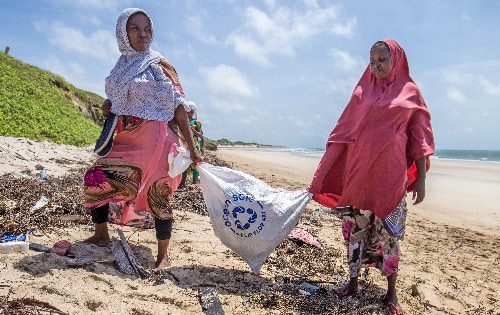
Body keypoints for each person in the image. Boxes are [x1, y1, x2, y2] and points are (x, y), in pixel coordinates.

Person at [308, 39, 434, 315]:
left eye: (382, 60)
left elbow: (419, 141)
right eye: (372, 60)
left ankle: (391, 293)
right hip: (358, 176)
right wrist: (325, 172)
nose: (376, 66)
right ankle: (352, 283)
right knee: (355, 231)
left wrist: (421, 180)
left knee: (390, 235)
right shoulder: (361, 92)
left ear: (396, 61)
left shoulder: (410, 93)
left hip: (391, 180)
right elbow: (343, 132)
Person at [83, 8, 202, 269]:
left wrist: (193, 150)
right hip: (129, 139)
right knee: (96, 177)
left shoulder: (160, 65)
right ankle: (101, 234)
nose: (142, 34)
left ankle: (163, 255)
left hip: (160, 141)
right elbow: (122, 98)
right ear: (123, 33)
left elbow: (179, 107)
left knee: (158, 193)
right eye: (135, 28)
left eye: (147, 29)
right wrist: (108, 103)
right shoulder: (121, 67)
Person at [178, 101, 203, 188]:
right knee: (184, 163)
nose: (190, 113)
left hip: (195, 145)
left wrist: (194, 131)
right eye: (188, 111)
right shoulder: (183, 121)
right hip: (185, 146)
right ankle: (183, 182)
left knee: (195, 163)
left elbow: (200, 135)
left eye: (192, 112)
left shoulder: (196, 122)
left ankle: (194, 182)